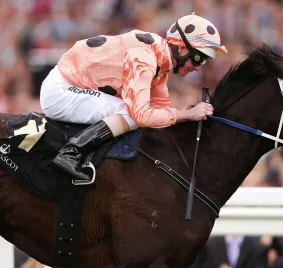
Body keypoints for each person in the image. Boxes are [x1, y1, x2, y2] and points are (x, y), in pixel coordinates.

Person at [40, 14, 227, 181]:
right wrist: (187, 115)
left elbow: (163, 111)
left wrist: (189, 114)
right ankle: (72, 152)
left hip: (72, 85)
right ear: (182, 49)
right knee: (130, 114)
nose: (198, 67)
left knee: (136, 113)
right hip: (61, 90)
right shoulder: (146, 60)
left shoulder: (160, 62)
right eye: (199, 59)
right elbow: (142, 116)